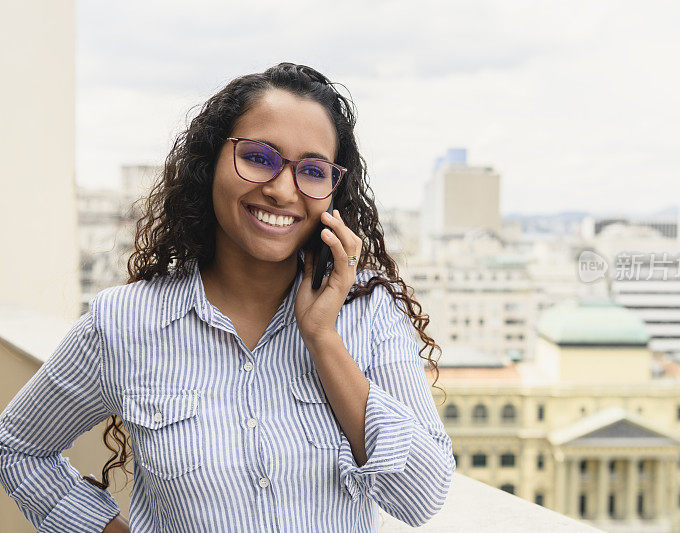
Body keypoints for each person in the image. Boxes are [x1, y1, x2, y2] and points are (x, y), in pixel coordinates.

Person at [0, 62, 455, 532]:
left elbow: (420, 497)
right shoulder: (126, 321)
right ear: (210, 162)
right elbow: (19, 448)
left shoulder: (368, 314)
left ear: (333, 193)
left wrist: (322, 338)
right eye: (259, 157)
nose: (282, 190)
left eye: (313, 170)